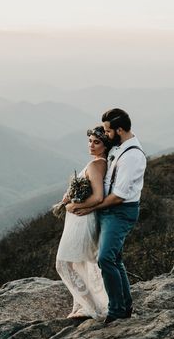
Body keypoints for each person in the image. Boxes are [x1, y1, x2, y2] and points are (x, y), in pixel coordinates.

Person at [70, 108, 146, 324]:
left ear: (119, 130)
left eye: (107, 130)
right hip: (108, 210)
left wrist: (90, 207)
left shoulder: (132, 156)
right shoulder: (119, 147)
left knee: (105, 258)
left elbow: (119, 196)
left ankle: (116, 310)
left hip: (119, 211)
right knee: (115, 258)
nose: (105, 134)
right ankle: (125, 305)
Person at [55, 126, 112, 320]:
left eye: (97, 142)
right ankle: (82, 304)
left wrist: (72, 204)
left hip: (82, 219)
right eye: (90, 141)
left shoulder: (97, 165)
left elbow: (97, 197)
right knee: (78, 262)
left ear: (105, 146)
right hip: (80, 218)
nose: (92, 145)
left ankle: (89, 307)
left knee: (65, 262)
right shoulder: (98, 163)